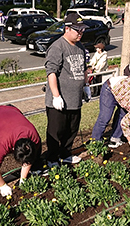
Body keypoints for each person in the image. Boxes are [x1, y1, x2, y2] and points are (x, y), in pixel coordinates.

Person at [44, 13, 89, 168]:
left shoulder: (80, 47)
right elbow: (51, 73)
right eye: (78, 30)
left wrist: (86, 86)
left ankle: (65, 155)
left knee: (72, 130)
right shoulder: (58, 47)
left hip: (75, 99)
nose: (81, 33)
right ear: (67, 28)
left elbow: (84, 69)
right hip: (59, 100)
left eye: (82, 29)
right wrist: (56, 96)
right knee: (56, 131)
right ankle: (52, 159)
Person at [0, 105, 41, 199]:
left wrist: (23, 179)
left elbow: (28, 159)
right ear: (13, 149)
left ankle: (31, 172)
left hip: (11, 110)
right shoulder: (5, 143)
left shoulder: (35, 138)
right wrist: (2, 186)